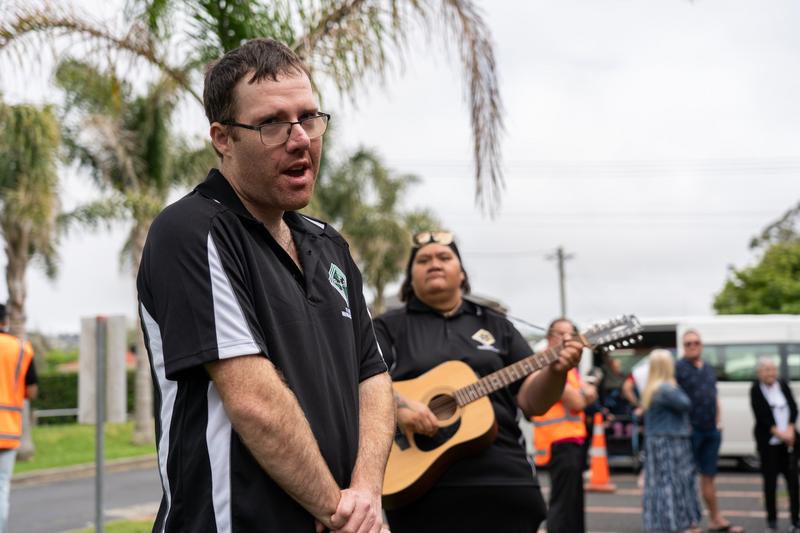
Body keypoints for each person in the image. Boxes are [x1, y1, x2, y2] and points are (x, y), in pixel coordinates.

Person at [137, 38, 394, 533]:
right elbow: (252, 398)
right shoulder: (192, 231)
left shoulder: (328, 244)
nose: (301, 138)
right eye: (272, 123)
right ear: (223, 138)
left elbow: (373, 377)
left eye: (309, 117)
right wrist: (335, 510)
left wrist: (364, 495)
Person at [372, 231, 583, 533]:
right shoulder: (387, 327)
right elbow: (359, 380)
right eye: (424, 260)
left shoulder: (496, 325)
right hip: (422, 488)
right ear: (410, 277)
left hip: (505, 481)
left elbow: (532, 402)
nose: (435, 264)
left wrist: (557, 372)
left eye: (444, 257)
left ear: (462, 273)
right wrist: (398, 406)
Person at [533, 318, 598, 533]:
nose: (567, 339)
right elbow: (578, 401)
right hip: (558, 441)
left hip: (570, 441)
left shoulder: (568, 366)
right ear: (549, 337)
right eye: (561, 334)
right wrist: (585, 395)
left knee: (573, 504)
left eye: (571, 334)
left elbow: (587, 395)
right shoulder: (548, 364)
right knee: (563, 505)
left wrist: (585, 395)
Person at [675, 330, 743, 533]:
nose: (692, 346)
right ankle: (689, 522)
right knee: (686, 479)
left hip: (711, 430)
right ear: (683, 347)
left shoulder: (708, 369)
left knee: (709, 477)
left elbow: (714, 396)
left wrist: (719, 420)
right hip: (690, 432)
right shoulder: (678, 368)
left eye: (696, 342)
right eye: (688, 344)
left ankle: (715, 518)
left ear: (701, 344)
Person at [640, 349, 702, 533]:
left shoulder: (651, 387)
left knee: (658, 484)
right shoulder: (666, 388)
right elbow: (686, 403)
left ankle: (659, 521)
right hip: (670, 441)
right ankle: (675, 521)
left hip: (657, 440)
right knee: (674, 482)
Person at [750, 357, 800, 533]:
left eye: (773, 369)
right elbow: (762, 416)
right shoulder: (756, 389)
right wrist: (781, 434)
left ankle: (796, 520)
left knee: (794, 483)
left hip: (789, 443)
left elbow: (793, 408)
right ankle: (772, 521)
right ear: (760, 372)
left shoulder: (783, 385)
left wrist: (791, 430)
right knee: (770, 484)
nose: (771, 373)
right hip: (769, 444)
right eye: (766, 370)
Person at [0, 303, 38, 533]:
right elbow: (31, 391)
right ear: (5, 321)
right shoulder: (22, 349)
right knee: (2, 487)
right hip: (8, 432)